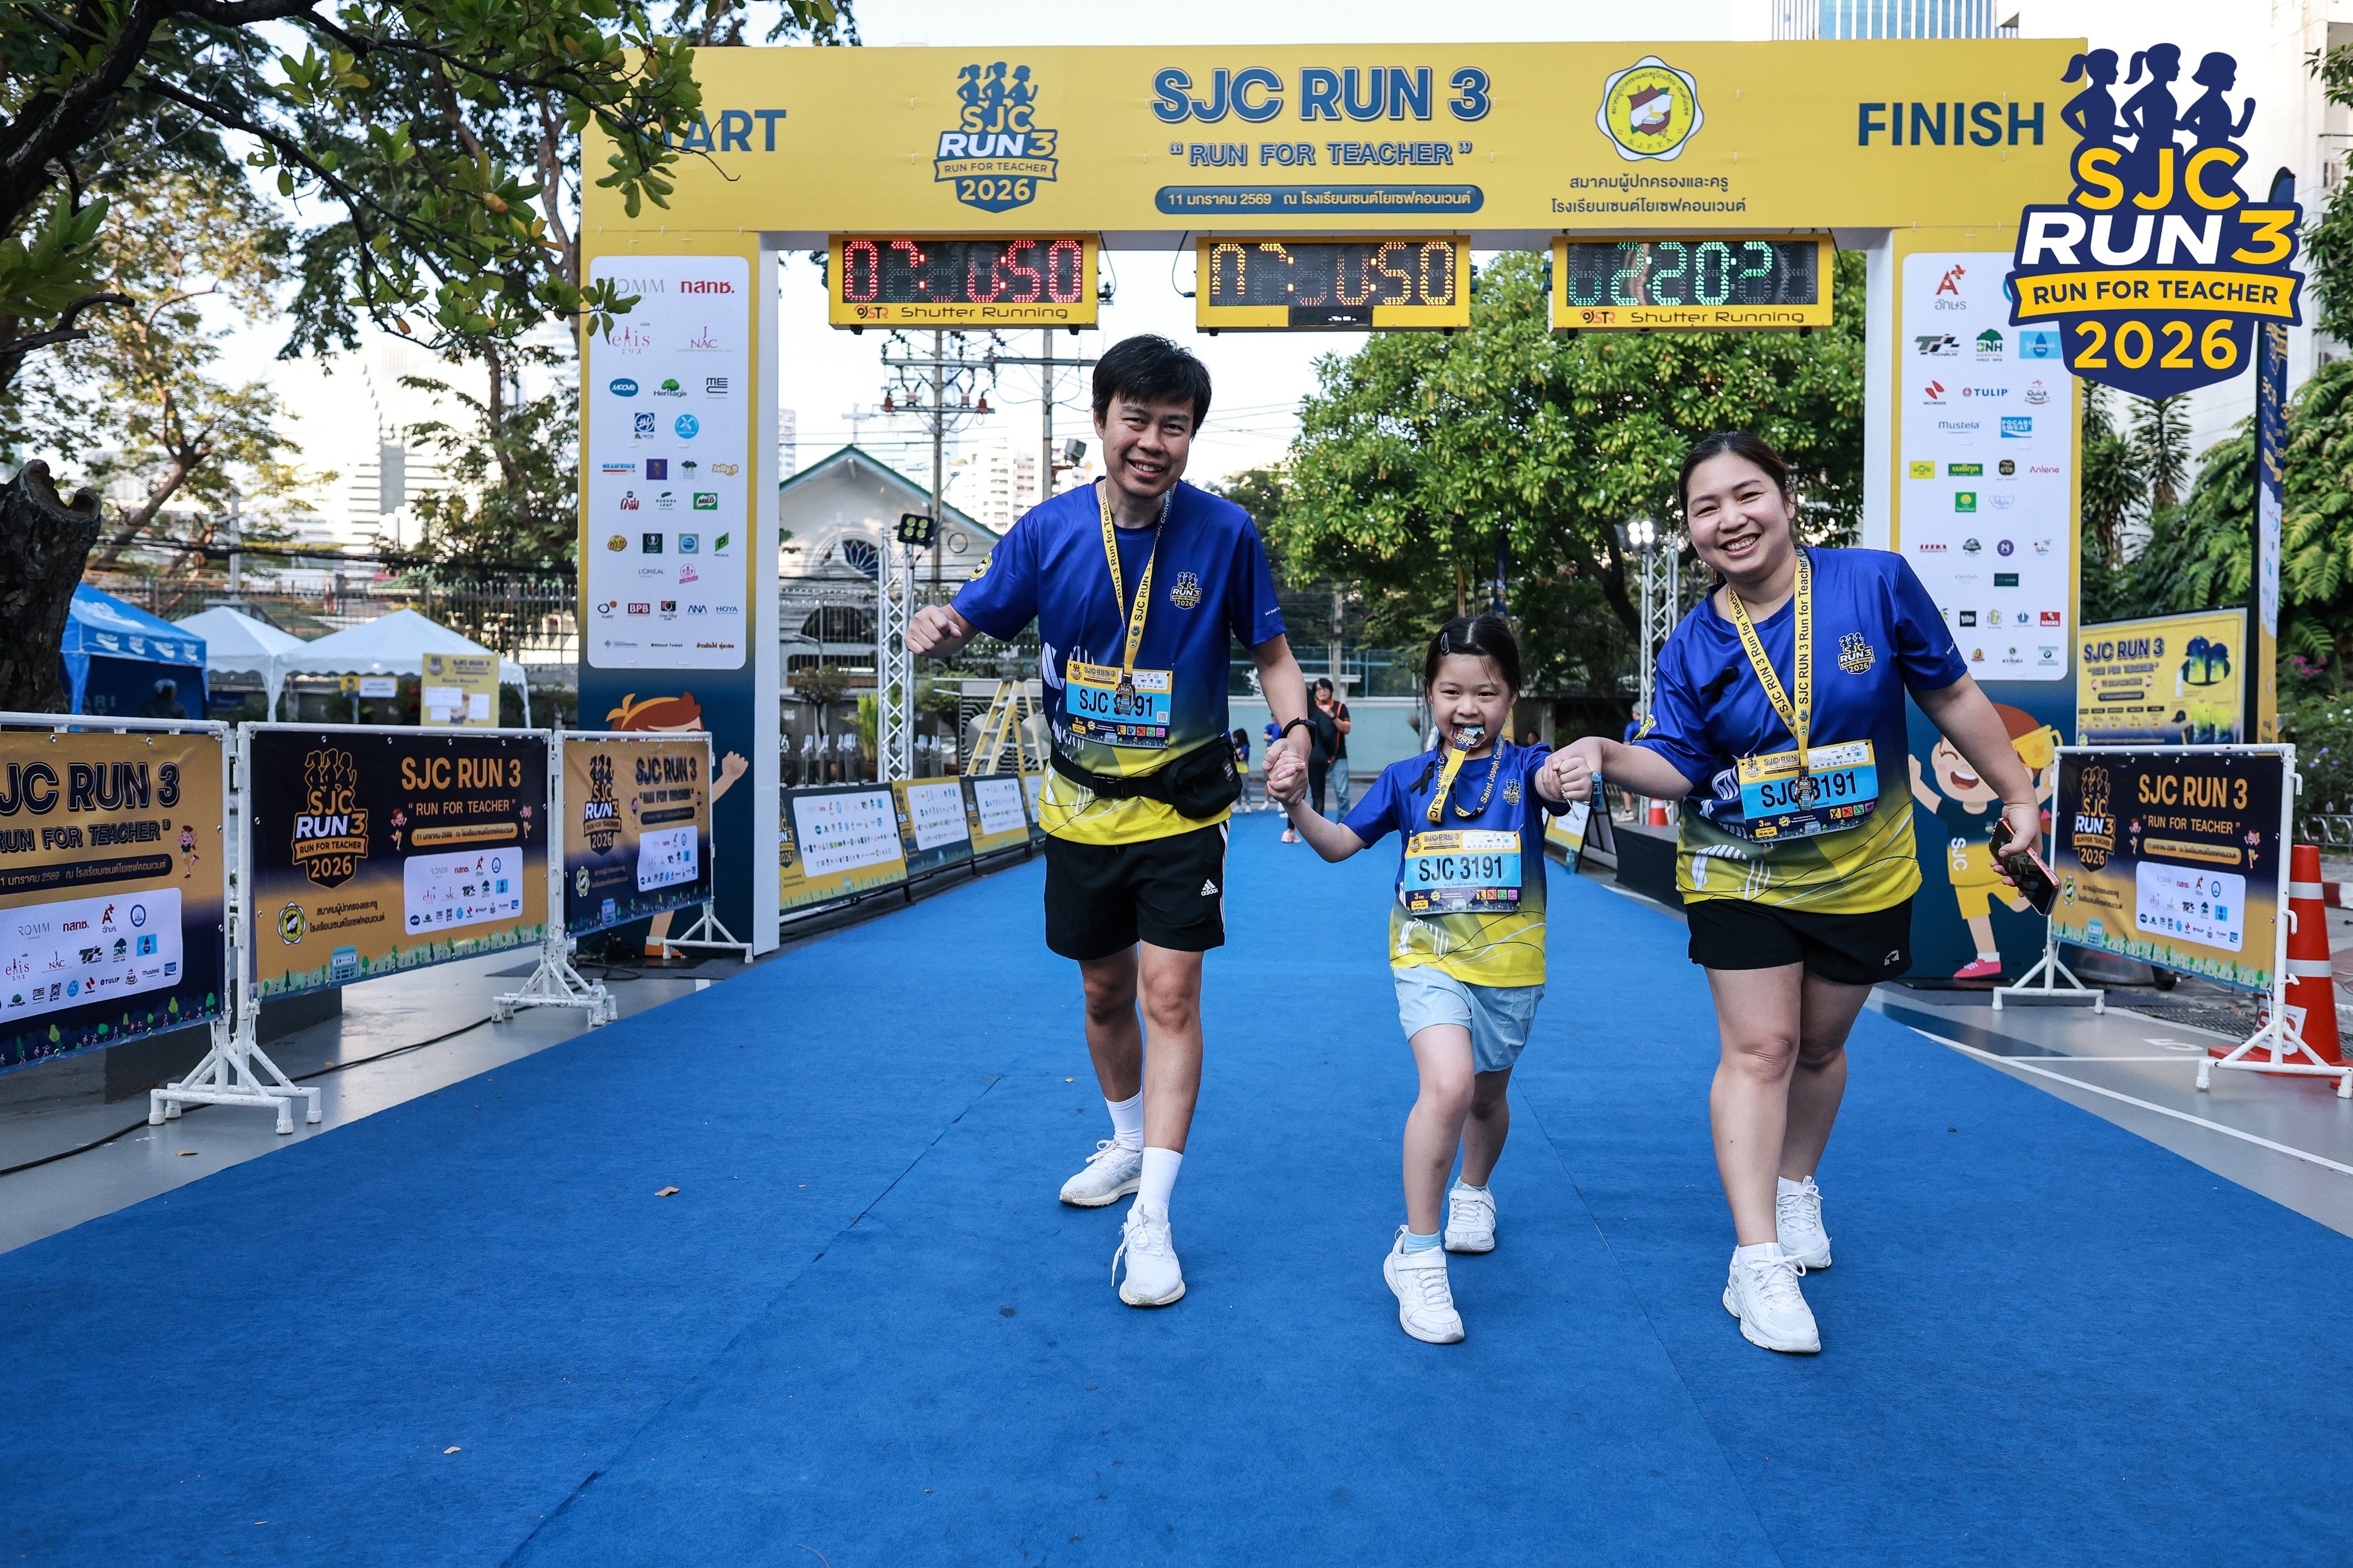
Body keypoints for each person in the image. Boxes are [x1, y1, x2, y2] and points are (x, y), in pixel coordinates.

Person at [1557, 431, 2040, 1356]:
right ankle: (1756, 1259)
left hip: (1866, 867)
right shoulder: (1693, 644)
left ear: (1787, 498)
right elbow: (1676, 762)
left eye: (1747, 494)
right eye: (1705, 508)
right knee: (1763, 1046)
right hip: (1738, 866)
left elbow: (1949, 694)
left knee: (1819, 1046)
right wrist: (1610, 753)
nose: (1730, 519)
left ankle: (1795, 1185)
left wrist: (2016, 792)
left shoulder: (1875, 583)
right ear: (1691, 531)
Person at [905, 335, 1315, 1309]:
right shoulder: (1047, 532)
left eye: (1175, 426)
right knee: (1103, 992)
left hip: (1185, 804)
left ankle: (1154, 1218)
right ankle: (1128, 1143)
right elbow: (971, 619)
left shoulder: (1225, 533)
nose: (1153, 442)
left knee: (1170, 995)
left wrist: (1296, 732)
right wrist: (939, 628)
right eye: (1137, 419)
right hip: (1080, 807)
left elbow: (1273, 656)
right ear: (1102, 422)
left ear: (1190, 438)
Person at [1269, 615, 1591, 1344]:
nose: (1467, 707)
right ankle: (1417, 1252)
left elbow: (1555, 781)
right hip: (1426, 957)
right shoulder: (1403, 778)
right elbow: (1339, 844)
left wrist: (1564, 774)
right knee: (1447, 1086)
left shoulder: (1528, 769)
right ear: (1428, 693)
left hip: (1510, 967)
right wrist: (1295, 805)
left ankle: (1473, 1190)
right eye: (1451, 692)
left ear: (1513, 696)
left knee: (1487, 1095)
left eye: (1487, 692)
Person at [1315, 676, 1354, 816]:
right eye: (1319, 689)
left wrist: (1332, 715)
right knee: (1315, 796)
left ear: (1331, 690)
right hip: (1317, 758)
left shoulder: (1340, 707)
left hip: (1338, 758)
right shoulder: (1312, 709)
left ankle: (1343, 826)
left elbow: (1347, 729)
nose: (1322, 692)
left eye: (1325, 688)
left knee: (1343, 796)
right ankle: (1316, 828)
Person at [1229, 726, 1255, 811]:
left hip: (1244, 769)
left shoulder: (1245, 747)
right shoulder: (1236, 747)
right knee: (1238, 788)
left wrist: (1234, 757)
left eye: (1236, 738)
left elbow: (1240, 758)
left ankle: (1248, 805)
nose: (1235, 739)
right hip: (1237, 769)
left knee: (1245, 788)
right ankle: (1239, 805)